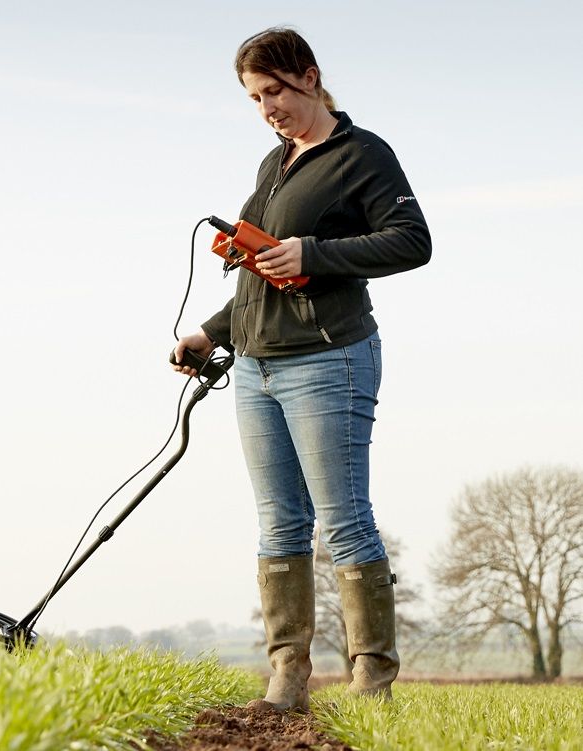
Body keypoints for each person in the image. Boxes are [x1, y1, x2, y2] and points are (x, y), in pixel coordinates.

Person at [173, 27, 431, 710]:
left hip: (329, 357)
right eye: (255, 98)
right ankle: (287, 674)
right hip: (256, 367)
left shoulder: (362, 155)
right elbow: (265, 269)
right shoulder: (275, 162)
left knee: (342, 519)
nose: (268, 108)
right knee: (278, 524)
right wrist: (211, 330)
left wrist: (312, 252)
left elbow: (412, 240)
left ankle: (372, 682)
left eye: (275, 92)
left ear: (310, 78)